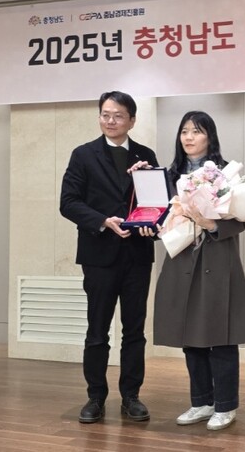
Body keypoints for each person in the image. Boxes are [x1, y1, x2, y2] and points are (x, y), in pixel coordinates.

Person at [153, 110, 245, 431]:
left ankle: (225, 406)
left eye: (196, 131)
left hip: (217, 259)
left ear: (209, 137)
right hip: (182, 259)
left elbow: (241, 219)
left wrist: (210, 224)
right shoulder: (169, 174)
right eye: (184, 131)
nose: (189, 137)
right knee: (191, 335)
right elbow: (157, 215)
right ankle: (201, 401)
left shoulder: (226, 174)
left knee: (221, 335)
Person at [60, 91, 158, 424]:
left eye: (118, 115)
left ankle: (131, 396)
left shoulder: (145, 155)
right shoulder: (83, 155)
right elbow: (68, 202)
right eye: (105, 114)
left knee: (135, 331)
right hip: (99, 254)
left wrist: (150, 218)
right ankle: (95, 397)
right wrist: (103, 220)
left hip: (137, 254)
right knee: (97, 331)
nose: (110, 121)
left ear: (132, 120)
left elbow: (155, 203)